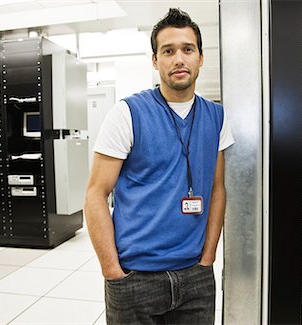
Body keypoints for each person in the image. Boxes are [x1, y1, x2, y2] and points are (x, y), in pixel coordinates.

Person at [84, 8, 234, 325]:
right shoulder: (127, 113)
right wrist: (113, 271)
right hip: (135, 276)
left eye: (187, 49)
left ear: (201, 58)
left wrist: (208, 258)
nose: (178, 59)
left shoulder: (217, 117)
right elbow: (96, 194)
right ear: (155, 61)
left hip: (195, 276)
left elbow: (217, 189)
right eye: (168, 51)